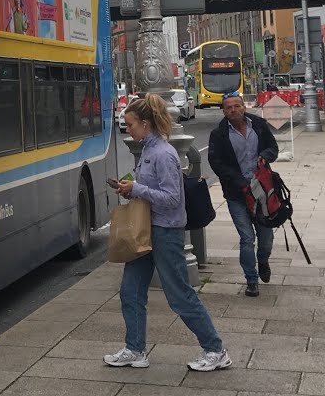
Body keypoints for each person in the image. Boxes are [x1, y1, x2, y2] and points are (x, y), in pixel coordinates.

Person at [104, 93, 231, 372]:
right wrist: (129, 186)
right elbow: (151, 188)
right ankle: (135, 349)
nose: (128, 129)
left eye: (131, 124)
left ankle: (215, 349)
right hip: (147, 229)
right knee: (131, 291)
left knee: (179, 295)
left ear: (146, 123)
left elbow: (173, 198)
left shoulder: (163, 153)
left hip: (165, 232)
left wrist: (135, 189)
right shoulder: (148, 150)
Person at [207, 92, 279, 297]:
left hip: (262, 191)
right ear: (224, 111)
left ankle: (263, 260)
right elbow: (216, 163)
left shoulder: (259, 125)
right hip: (237, 194)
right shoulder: (218, 134)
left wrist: (265, 157)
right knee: (247, 238)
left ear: (244, 107)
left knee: (266, 236)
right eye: (228, 107)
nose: (233, 110)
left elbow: (273, 148)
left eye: (237, 106)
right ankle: (251, 279)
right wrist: (238, 182)